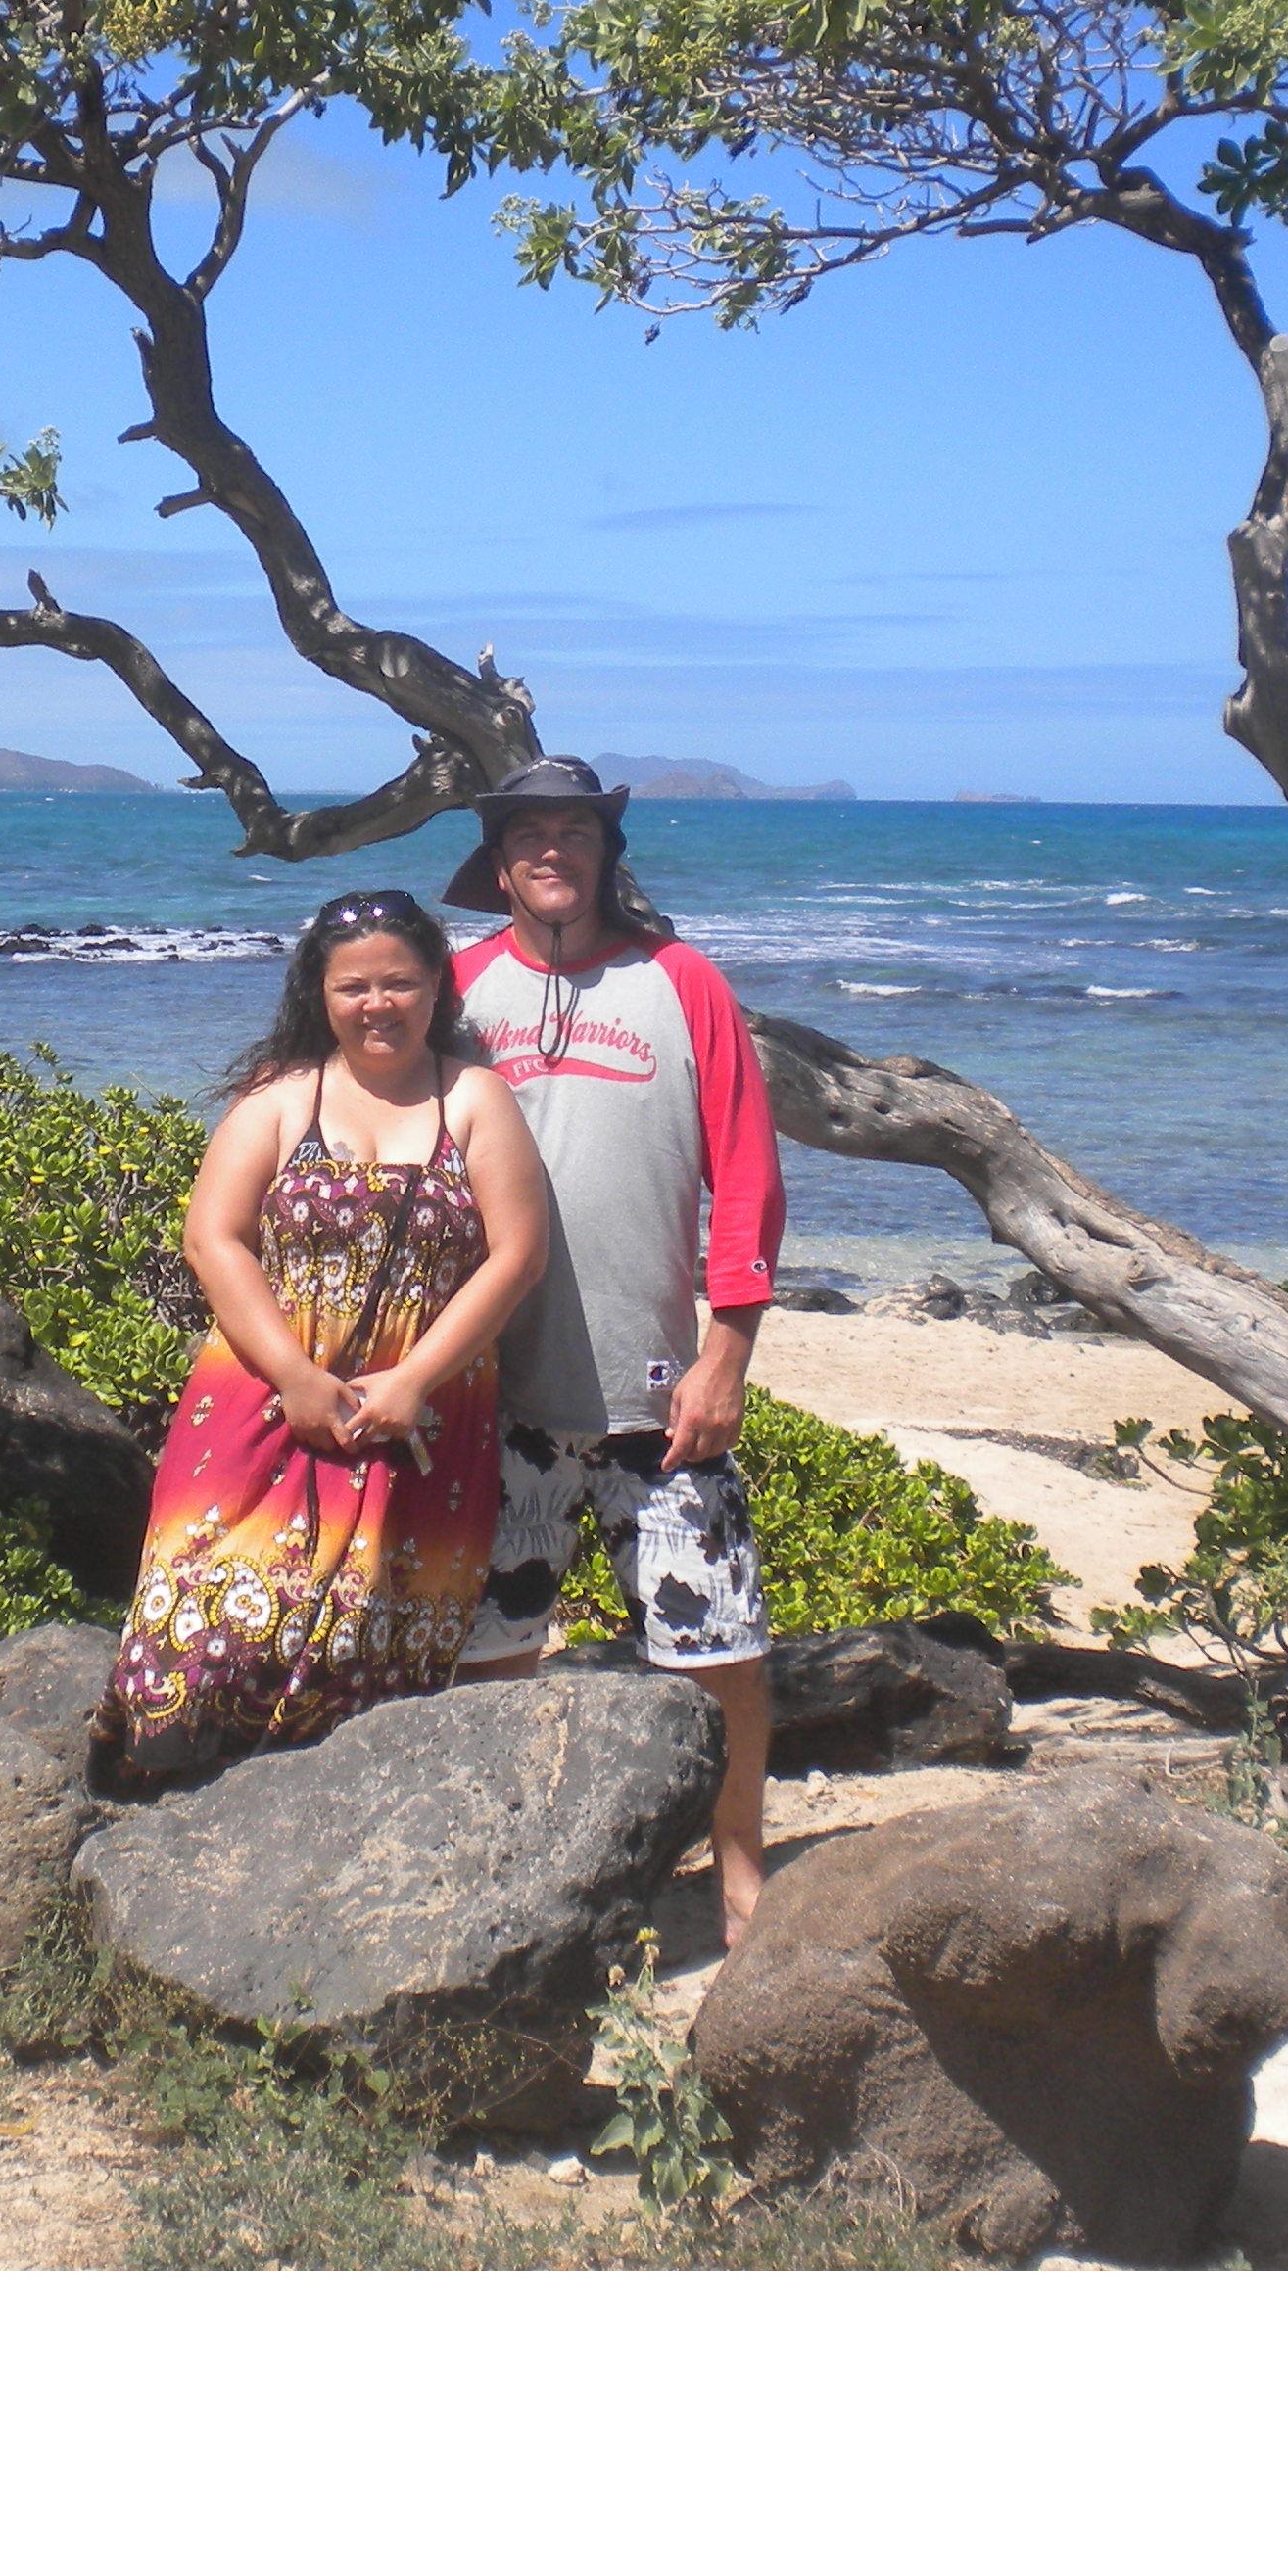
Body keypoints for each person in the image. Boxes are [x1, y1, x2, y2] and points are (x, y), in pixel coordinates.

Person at [97, 886, 549, 1789]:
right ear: (321, 995)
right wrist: (297, 1378)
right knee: (208, 1628)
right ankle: (150, 1833)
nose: (377, 1005)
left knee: (373, 1648)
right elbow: (211, 1238)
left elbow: (518, 1254)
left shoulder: (473, 1101)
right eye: (354, 987)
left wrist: (414, 1381)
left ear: (435, 991)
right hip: (260, 1405)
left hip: (420, 1424)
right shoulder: (281, 1101)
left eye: (400, 983)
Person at [443, 758, 785, 1944]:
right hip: (497, 1399)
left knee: (721, 1650)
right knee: (493, 1652)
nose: (553, 852)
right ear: (499, 863)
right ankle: (504, 1872)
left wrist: (727, 1347)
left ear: (605, 855)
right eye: (530, 834)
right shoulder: (455, 990)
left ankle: (739, 1875)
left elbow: (746, 1169)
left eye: (575, 833)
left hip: (659, 1397)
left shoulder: (680, 983)